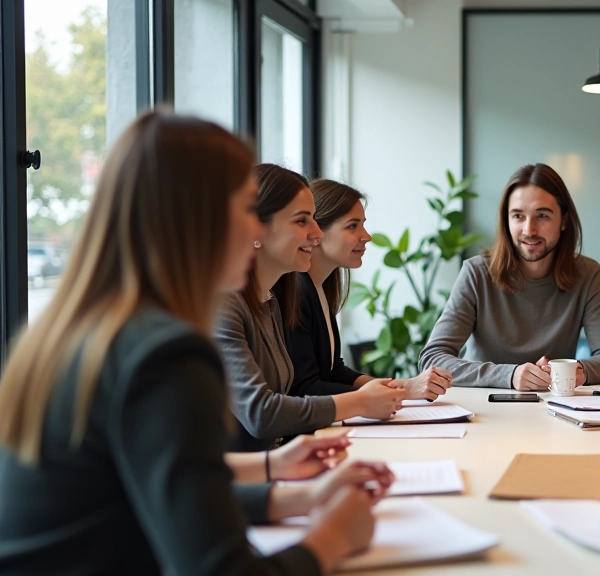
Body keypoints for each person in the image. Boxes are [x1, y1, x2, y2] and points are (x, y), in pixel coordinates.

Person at [0, 112, 385, 575]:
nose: (256, 230)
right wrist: (335, 537)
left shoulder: (87, 329)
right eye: (246, 209)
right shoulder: (164, 355)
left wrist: (295, 496)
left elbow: (147, 494)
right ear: (200, 218)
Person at [215, 164, 406, 452]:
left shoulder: (271, 301)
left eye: (314, 219)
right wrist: (360, 401)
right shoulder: (224, 305)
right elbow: (261, 414)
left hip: (272, 463)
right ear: (255, 228)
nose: (317, 233)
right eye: (302, 221)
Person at [419, 163, 600, 389]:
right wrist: (509, 375)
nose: (529, 230)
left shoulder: (588, 276)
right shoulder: (476, 273)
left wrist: (575, 372)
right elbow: (432, 359)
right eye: (518, 216)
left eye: (542, 216)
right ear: (507, 221)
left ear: (564, 220)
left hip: (553, 405)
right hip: (482, 405)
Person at [280, 178, 453, 401]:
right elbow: (306, 388)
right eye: (353, 226)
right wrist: (401, 392)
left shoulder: (318, 289)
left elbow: (334, 371)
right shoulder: (298, 293)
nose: (367, 236)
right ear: (317, 231)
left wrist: (400, 386)